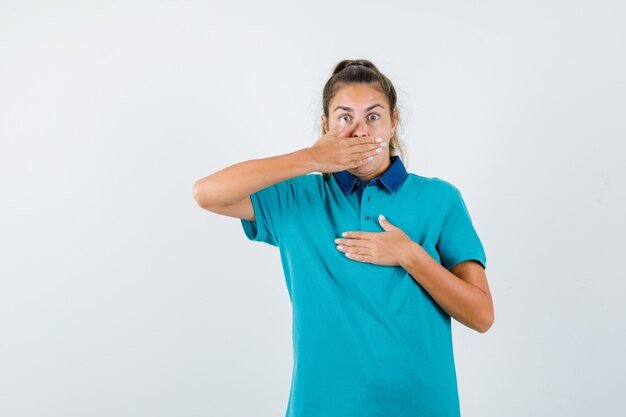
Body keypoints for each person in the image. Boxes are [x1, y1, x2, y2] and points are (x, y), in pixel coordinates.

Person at [193, 59, 494, 417]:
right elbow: (207, 193)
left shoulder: (440, 199)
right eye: (344, 117)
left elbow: (481, 316)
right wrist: (309, 158)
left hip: (421, 405)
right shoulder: (296, 199)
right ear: (326, 125)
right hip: (321, 405)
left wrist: (410, 255)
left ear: (393, 121)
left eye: (373, 116)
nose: (359, 131)